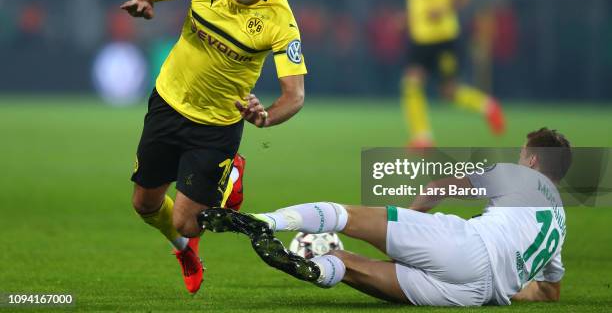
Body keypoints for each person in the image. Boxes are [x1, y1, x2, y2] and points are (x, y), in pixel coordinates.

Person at [121, 0, 307, 294]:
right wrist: (142, 1)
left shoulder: (280, 19)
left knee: (188, 222)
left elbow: (295, 95)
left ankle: (228, 179)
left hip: (217, 127)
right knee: (145, 205)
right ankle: (185, 253)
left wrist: (266, 116)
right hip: (168, 104)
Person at [199, 128, 570, 306]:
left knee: (347, 216)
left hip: (466, 246)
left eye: (524, 154)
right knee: (347, 263)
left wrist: (408, 226)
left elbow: (442, 187)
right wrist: (504, 284)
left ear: (534, 161)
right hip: (477, 294)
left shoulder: (522, 177)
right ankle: (315, 266)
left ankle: (265, 221)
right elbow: (548, 292)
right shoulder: (560, 226)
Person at [398, 0, 505, 147]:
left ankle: (488, 106)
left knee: (448, 92)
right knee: (411, 82)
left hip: (445, 37)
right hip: (420, 39)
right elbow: (414, 4)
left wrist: (444, 9)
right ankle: (422, 138)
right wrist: (404, 20)